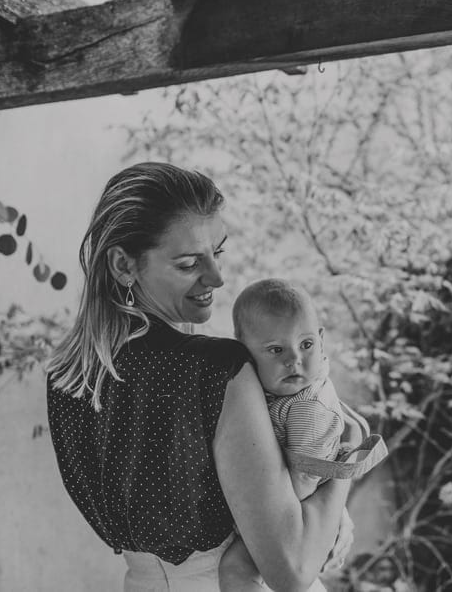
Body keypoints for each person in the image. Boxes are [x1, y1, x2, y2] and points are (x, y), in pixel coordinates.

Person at [46, 162, 358, 591]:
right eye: (190, 262)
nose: (216, 277)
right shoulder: (215, 368)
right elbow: (291, 569)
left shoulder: (68, 377)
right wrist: (348, 460)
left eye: (218, 252)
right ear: (123, 264)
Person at [219, 279, 387, 591]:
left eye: (306, 345)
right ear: (243, 351)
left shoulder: (307, 406)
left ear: (321, 341)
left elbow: (305, 478)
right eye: (276, 349)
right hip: (306, 503)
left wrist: (255, 517)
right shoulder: (277, 391)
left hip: (303, 510)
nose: (293, 359)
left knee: (236, 569)